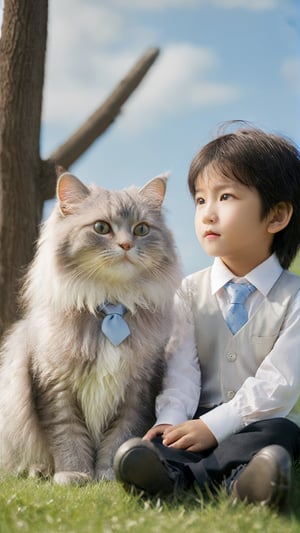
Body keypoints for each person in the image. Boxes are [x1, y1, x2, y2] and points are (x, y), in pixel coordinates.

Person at [113, 124, 300, 509]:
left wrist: (214, 428)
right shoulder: (186, 291)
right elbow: (181, 370)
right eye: (200, 200)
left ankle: (239, 482)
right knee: (164, 439)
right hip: (197, 417)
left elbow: (279, 385)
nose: (207, 214)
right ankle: (181, 474)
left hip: (258, 420)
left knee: (280, 433)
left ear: (277, 215)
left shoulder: (295, 297)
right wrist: (171, 419)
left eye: (226, 196)